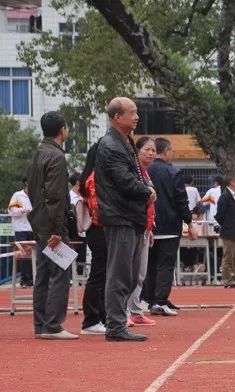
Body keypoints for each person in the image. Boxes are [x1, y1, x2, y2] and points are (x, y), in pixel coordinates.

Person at [95, 97, 155, 342]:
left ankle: (118, 322)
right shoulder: (111, 145)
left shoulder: (124, 142)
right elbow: (124, 180)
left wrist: (145, 187)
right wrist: (147, 191)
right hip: (120, 216)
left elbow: (133, 176)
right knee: (120, 274)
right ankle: (116, 325)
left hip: (129, 216)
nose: (137, 116)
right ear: (117, 117)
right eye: (132, 112)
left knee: (128, 274)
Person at [26, 111, 77, 340]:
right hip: (52, 223)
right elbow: (56, 195)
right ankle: (53, 325)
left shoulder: (37, 154)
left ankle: (41, 325)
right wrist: (57, 229)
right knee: (60, 272)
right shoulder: (56, 157)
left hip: (38, 220)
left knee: (44, 274)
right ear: (63, 129)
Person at [143, 137, 195, 316]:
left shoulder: (144, 171)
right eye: (171, 150)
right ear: (165, 151)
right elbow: (181, 200)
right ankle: (160, 300)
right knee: (165, 265)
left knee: (150, 264)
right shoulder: (173, 172)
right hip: (169, 226)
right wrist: (189, 222)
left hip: (149, 225)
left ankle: (151, 300)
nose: (173, 154)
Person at [125, 136, 157, 327]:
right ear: (137, 152)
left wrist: (150, 228)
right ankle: (125, 311)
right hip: (132, 227)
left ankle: (136, 310)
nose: (151, 153)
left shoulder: (146, 175)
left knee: (140, 273)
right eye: (147, 149)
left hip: (145, 227)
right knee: (129, 272)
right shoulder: (134, 174)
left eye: (153, 150)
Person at [78, 143, 108, 335]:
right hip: (99, 229)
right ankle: (91, 319)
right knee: (98, 274)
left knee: (102, 274)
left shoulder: (92, 175)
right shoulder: (94, 177)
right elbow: (98, 209)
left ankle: (100, 317)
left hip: (99, 229)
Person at [215, 173, 235, 288]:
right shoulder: (225, 196)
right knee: (228, 256)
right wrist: (227, 225)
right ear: (232, 182)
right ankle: (228, 280)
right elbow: (219, 215)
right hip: (229, 230)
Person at [7, 178, 33, 287]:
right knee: (23, 255)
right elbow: (11, 211)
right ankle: (24, 279)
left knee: (33, 255)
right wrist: (24, 210)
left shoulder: (36, 196)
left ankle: (32, 278)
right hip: (21, 229)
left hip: (33, 228)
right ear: (26, 182)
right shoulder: (18, 195)